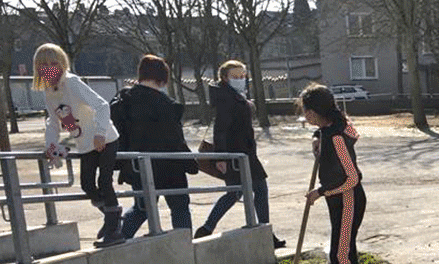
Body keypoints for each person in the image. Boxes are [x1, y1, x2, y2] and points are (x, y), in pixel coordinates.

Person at [35, 43, 124, 248]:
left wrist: (100, 133)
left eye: (53, 64)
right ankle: (113, 217)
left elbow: (101, 104)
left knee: (104, 181)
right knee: (86, 184)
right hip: (84, 143)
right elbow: (53, 121)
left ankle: (114, 228)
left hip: (105, 139)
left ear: (61, 64)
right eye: (44, 66)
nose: (49, 69)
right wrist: (51, 145)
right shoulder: (49, 91)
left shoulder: (72, 83)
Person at [299, 84, 369, 264]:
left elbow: (352, 178)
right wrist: (317, 139)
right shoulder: (328, 131)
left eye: (306, 110)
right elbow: (340, 132)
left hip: (348, 200)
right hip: (338, 201)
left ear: (316, 111)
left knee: (341, 256)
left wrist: (321, 191)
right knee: (343, 255)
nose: (304, 114)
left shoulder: (337, 137)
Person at [194, 60, 285, 249]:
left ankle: (208, 228)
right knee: (250, 191)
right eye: (235, 76)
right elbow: (221, 130)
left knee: (239, 192)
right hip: (236, 155)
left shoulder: (234, 95)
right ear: (225, 78)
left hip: (245, 154)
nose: (240, 79)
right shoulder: (227, 98)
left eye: (243, 76)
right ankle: (264, 233)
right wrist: (221, 157)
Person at [111, 55, 198, 238]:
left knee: (141, 208)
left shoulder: (123, 100)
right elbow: (175, 140)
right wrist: (191, 163)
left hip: (138, 166)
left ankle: (115, 237)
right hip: (169, 166)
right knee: (180, 207)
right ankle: (185, 247)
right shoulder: (167, 106)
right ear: (163, 77)